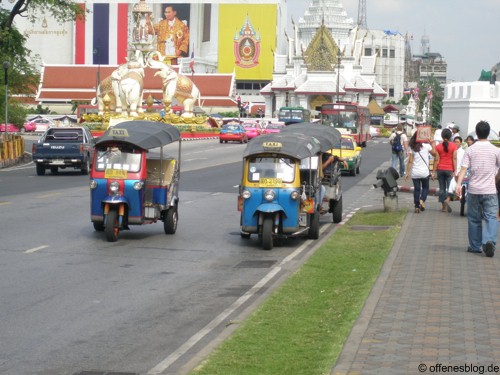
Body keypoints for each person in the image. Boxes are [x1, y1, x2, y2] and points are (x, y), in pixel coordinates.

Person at [455, 121, 500, 257]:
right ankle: (489, 240)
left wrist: (458, 185)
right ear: (488, 133)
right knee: (492, 217)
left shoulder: (470, 149)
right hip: (490, 190)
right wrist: (496, 178)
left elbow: (463, 169)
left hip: (474, 189)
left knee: (474, 218)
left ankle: (475, 246)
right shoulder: (496, 150)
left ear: (476, 133)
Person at [404, 133, 436, 213]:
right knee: (425, 188)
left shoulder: (412, 147)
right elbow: (435, 153)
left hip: (415, 172)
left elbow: (410, 161)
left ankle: (416, 206)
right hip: (424, 172)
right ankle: (422, 200)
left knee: (417, 189)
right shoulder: (426, 146)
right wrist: (432, 143)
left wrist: (407, 173)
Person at [432, 128, 457, 212]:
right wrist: (455, 170)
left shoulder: (438, 146)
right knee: (450, 187)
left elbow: (436, 159)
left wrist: (433, 171)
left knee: (442, 188)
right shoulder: (454, 146)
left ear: (442, 136)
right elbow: (454, 158)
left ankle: (443, 206)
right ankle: (447, 200)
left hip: (440, 169)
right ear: (450, 136)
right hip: (449, 169)